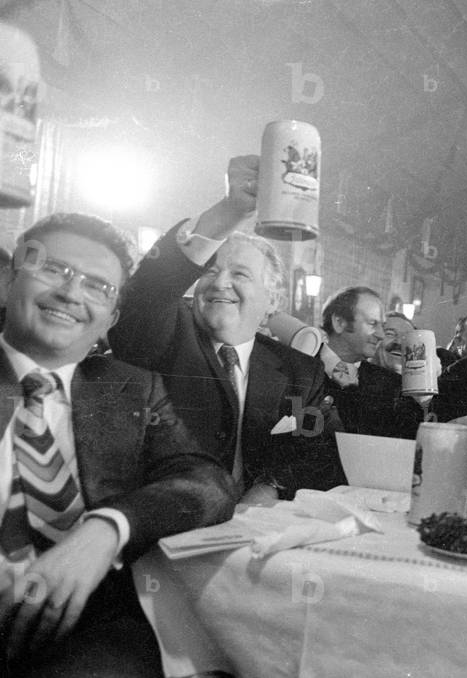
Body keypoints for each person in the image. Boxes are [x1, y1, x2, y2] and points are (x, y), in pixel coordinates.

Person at [0, 214, 234, 677]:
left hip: (89, 631)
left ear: (113, 319)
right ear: (9, 281)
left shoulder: (131, 389)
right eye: (53, 270)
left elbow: (207, 482)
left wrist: (107, 528)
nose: (71, 294)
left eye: (97, 287)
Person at [108, 155, 343, 502]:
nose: (220, 283)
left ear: (273, 299)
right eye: (209, 271)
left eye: (240, 275)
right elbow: (149, 292)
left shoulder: (300, 372)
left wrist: (267, 490)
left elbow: (314, 449)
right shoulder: (165, 335)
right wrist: (232, 211)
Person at [319, 288, 421, 439]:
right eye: (372, 323)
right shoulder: (294, 369)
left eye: (382, 326)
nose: (380, 335)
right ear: (339, 322)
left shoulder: (392, 384)